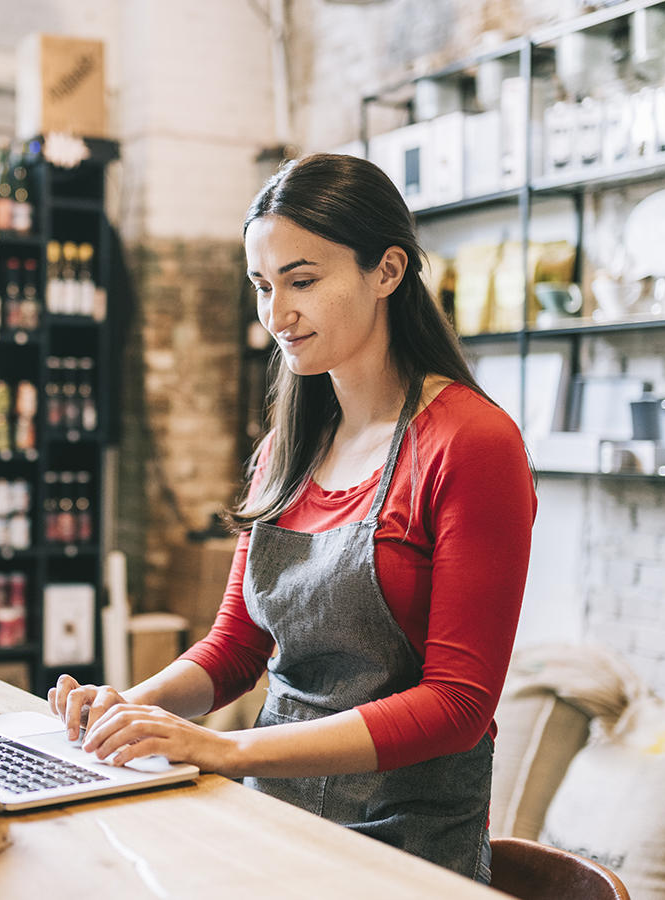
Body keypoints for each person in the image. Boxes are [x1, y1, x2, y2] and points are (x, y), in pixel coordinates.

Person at [48, 153, 536, 883]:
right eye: (262, 286)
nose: (277, 315)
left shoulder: (472, 443)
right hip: (270, 822)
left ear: (387, 272)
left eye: (302, 282)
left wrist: (226, 750)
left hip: (403, 852)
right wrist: (131, 709)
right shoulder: (286, 447)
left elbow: (457, 705)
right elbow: (236, 648)